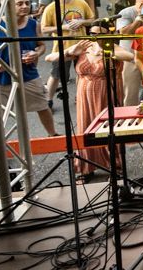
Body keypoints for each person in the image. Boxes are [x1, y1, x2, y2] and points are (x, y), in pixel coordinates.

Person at [57, 27, 133, 181]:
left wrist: (105, 52)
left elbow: (129, 56)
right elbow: (50, 58)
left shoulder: (112, 47)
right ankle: (86, 168)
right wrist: (70, 50)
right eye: (92, 33)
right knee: (85, 128)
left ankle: (115, 165)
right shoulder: (83, 47)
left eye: (100, 33)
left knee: (108, 127)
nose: (96, 36)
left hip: (106, 94)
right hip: (84, 95)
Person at [0, 0, 56, 136]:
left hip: (28, 74)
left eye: (27, 3)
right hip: (1, 77)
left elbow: (41, 45)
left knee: (42, 105)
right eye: (20, 4)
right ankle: (0, 145)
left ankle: (52, 134)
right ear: (8, 6)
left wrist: (36, 53)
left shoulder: (33, 24)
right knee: (0, 114)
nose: (25, 6)